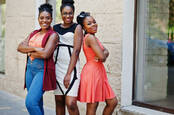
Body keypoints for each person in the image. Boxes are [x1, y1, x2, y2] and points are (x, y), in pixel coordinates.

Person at [17, 3, 58, 115]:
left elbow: (45, 54)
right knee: (37, 102)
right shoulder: (34, 33)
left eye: (47, 18)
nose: (44, 20)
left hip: (42, 70)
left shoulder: (53, 35)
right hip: (30, 70)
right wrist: (35, 48)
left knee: (30, 103)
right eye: (42, 18)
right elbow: (20, 47)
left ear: (51, 19)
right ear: (38, 18)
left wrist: (29, 51)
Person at [77, 12, 118, 115]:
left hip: (99, 71)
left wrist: (103, 53)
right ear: (84, 27)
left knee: (112, 102)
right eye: (89, 23)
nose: (94, 24)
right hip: (92, 72)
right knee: (92, 105)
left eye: (94, 22)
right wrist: (102, 54)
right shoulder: (90, 38)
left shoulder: (94, 37)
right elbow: (103, 56)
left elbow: (105, 52)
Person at [53, 0, 83, 115]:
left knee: (71, 104)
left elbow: (76, 51)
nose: (68, 16)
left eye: (70, 13)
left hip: (71, 69)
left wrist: (68, 74)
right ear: (61, 13)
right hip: (57, 68)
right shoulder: (54, 28)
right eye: (65, 13)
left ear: (73, 13)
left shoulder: (77, 27)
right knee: (59, 101)